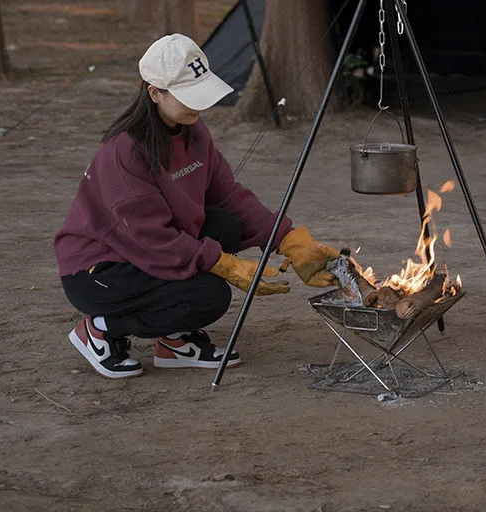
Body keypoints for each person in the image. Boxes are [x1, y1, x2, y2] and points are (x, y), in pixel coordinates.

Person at [54, 33, 339, 379]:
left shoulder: (193, 130)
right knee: (208, 296)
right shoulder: (126, 152)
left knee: (225, 225)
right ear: (154, 93)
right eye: (186, 95)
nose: (198, 104)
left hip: (146, 250)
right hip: (101, 269)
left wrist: (288, 240)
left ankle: (174, 342)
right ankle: (101, 328)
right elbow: (151, 240)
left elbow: (229, 196)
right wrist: (224, 264)